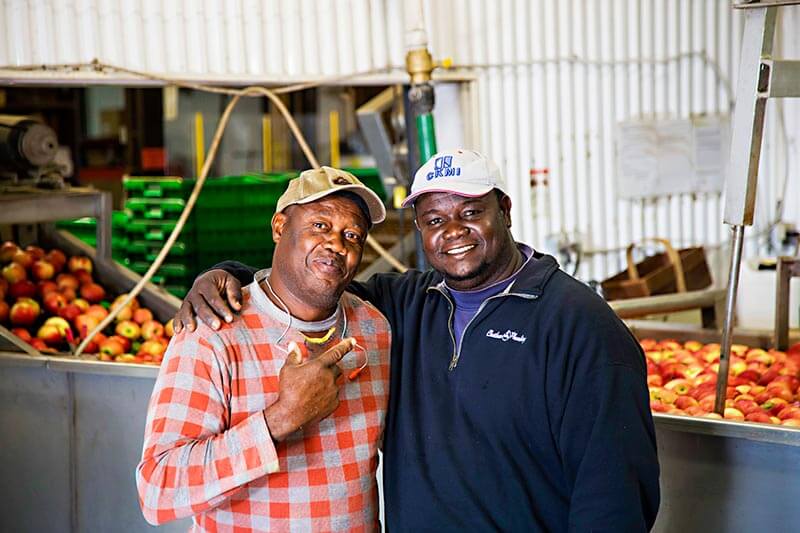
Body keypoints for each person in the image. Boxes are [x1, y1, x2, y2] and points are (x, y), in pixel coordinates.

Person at [177, 149, 661, 531]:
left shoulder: (580, 326)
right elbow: (313, 284)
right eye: (433, 220)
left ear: (505, 210)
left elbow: (615, 494)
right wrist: (224, 275)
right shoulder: (406, 305)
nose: (452, 231)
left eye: (470, 211)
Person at [136, 167, 392, 532]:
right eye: (319, 226)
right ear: (278, 227)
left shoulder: (375, 329)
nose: (337, 244)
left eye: (352, 235)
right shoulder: (213, 331)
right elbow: (157, 489)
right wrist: (279, 420)